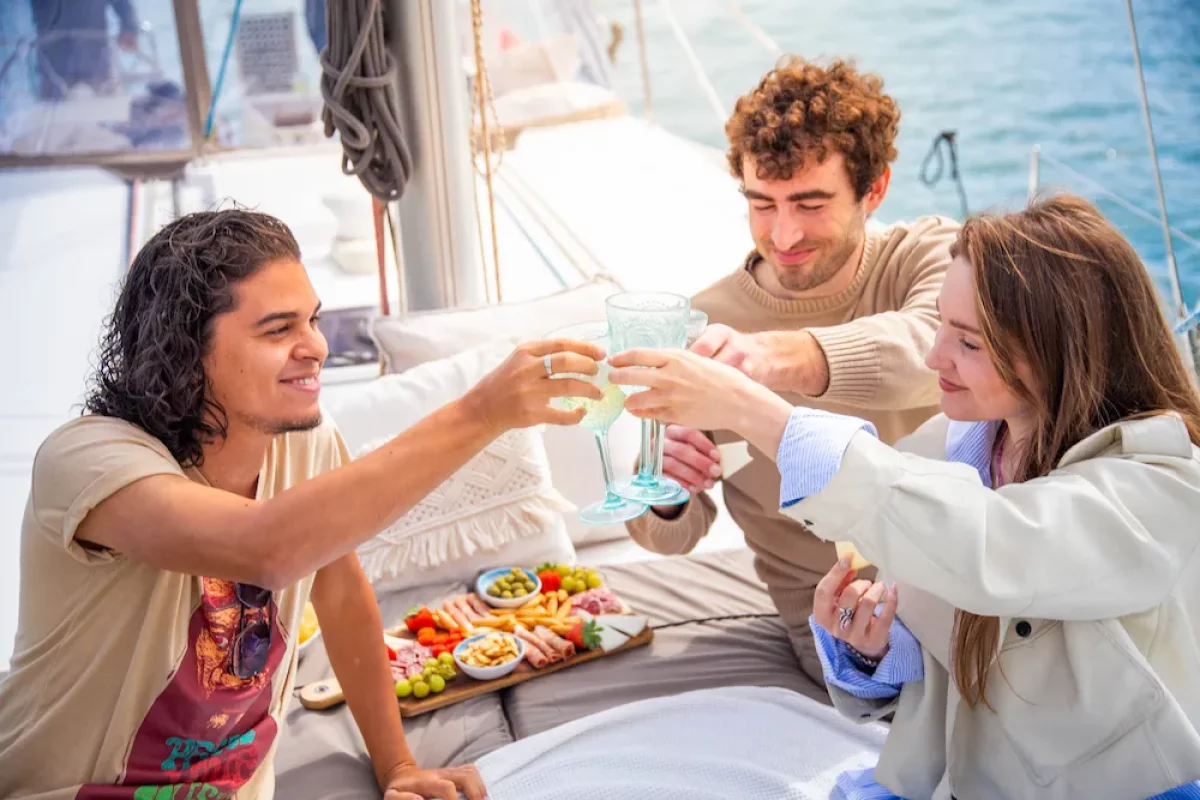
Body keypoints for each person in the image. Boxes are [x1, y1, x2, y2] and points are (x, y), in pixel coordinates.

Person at [609, 194, 1200, 797]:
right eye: (940, 322)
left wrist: (756, 412)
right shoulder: (945, 446)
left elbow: (989, 545)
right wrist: (873, 649)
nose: (933, 355)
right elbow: (942, 669)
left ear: (1063, 352)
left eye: (968, 343)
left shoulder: (1160, 485)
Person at [0, 209, 605, 800]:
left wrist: (397, 765)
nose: (314, 345)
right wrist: (481, 413)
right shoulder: (88, 459)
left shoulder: (306, 442)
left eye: (312, 321)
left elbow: (340, 594)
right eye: (278, 329)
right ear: (187, 350)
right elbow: (265, 548)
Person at [623, 55, 957, 683]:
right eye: (762, 203)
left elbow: (932, 350)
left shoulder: (928, 256)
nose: (782, 234)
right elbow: (669, 537)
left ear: (875, 189)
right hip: (833, 622)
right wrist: (665, 488)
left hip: (960, 575)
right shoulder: (706, 320)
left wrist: (777, 358)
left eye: (809, 203)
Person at [29, 0, 139, 101]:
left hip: (97, 65)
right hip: (54, 71)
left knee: (108, 107)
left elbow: (123, 6)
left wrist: (128, 28)